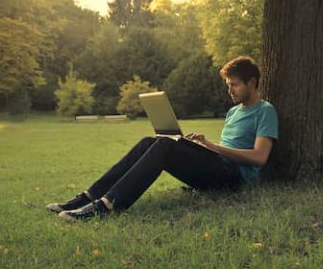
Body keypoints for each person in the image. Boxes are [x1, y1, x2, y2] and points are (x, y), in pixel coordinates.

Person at [47, 56, 279, 220]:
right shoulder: (233, 111)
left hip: (234, 178)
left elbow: (260, 158)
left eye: (235, 85)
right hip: (218, 166)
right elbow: (226, 150)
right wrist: (201, 148)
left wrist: (213, 146)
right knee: (151, 141)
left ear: (252, 82)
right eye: (228, 85)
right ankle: (87, 197)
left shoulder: (265, 110)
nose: (230, 90)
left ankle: (107, 205)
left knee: (166, 146)